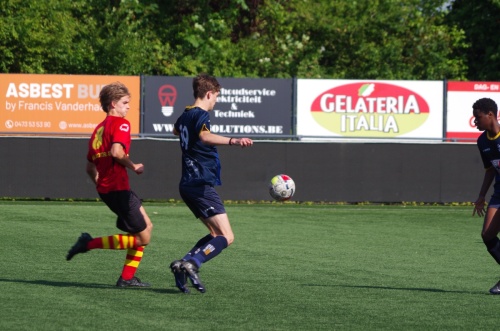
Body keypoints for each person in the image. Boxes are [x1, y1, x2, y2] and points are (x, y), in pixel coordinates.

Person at [169, 73, 253, 293]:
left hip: (187, 184)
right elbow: (205, 137)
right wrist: (233, 140)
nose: (216, 101)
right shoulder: (201, 115)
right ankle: (193, 263)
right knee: (227, 236)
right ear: (208, 93)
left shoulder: (187, 114)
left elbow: (175, 129)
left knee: (215, 235)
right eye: (216, 96)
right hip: (200, 184)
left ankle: (183, 263)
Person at [66, 81, 153, 288]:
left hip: (109, 189)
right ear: (113, 104)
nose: (128, 107)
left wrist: (100, 182)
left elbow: (89, 167)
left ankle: (127, 278)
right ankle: (89, 243)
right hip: (118, 189)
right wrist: (134, 166)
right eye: (125, 102)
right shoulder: (121, 124)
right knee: (143, 238)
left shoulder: (98, 130)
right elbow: (116, 152)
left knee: (146, 227)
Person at [472, 97, 500, 294]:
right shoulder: (482, 141)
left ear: (490, 115)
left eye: (478, 117)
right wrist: (481, 196)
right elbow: (490, 170)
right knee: (487, 234)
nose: (475, 121)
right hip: (499, 192)